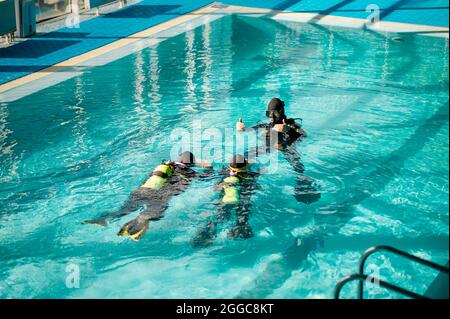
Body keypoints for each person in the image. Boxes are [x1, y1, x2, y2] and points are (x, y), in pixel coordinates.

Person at [83, 151, 212, 241]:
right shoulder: (189, 172)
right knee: (152, 212)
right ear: (191, 163)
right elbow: (208, 177)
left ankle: (103, 219)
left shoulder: (164, 167)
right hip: (160, 195)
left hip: (141, 190)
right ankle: (135, 228)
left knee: (124, 210)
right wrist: (208, 166)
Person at [236, 98, 320, 204]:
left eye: (274, 113)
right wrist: (242, 129)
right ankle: (243, 178)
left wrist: (288, 130)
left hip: (286, 148)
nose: (271, 117)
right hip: (268, 146)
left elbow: (304, 135)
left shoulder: (291, 125)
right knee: (245, 156)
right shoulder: (267, 125)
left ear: (280, 112)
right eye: (269, 114)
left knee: (298, 167)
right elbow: (251, 129)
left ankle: (304, 186)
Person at [191, 154, 259, 247]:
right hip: (243, 193)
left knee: (220, 214)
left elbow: (215, 187)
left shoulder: (224, 171)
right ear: (245, 166)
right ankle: (240, 229)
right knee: (243, 211)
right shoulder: (250, 174)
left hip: (226, 195)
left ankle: (205, 234)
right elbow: (257, 185)